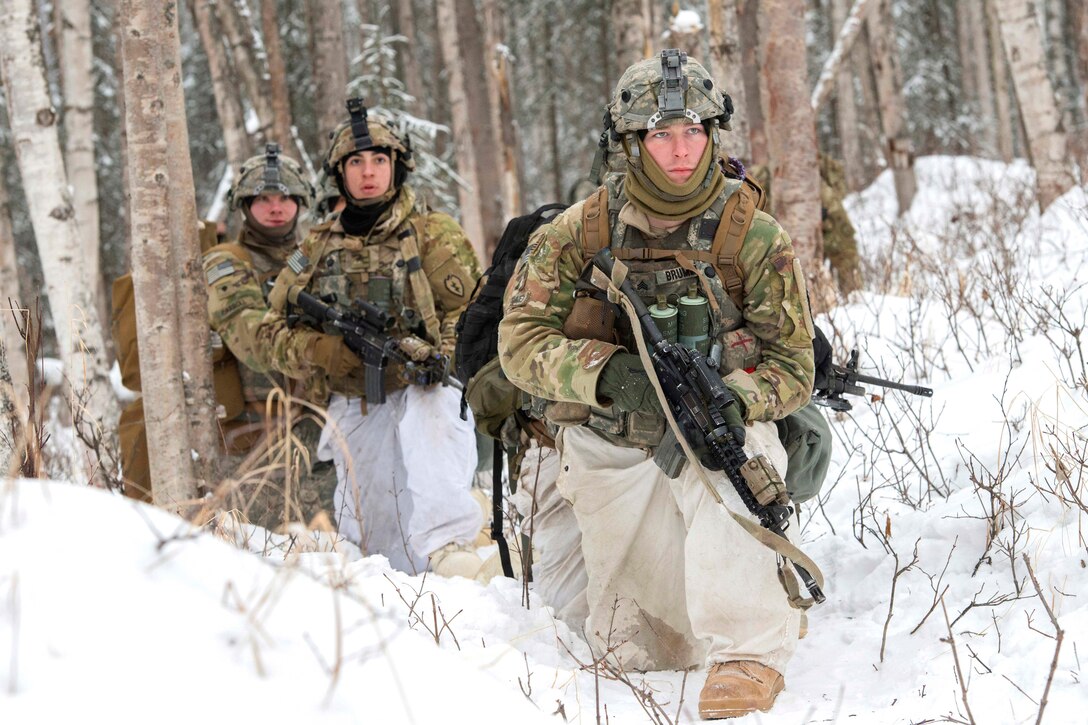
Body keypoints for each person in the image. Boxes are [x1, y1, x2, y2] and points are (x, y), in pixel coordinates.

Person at [498, 50, 818, 719]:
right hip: (615, 442)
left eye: (694, 132)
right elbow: (518, 345)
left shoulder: (753, 235)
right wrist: (609, 375)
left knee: (742, 459)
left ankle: (750, 652)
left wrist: (740, 396)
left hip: (713, 433)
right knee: (629, 652)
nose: (680, 149)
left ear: (713, 136)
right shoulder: (579, 232)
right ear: (631, 142)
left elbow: (794, 365)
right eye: (661, 134)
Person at [257, 101, 485, 578]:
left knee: (437, 419)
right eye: (356, 162)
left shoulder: (432, 234)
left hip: (424, 388)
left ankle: (451, 554)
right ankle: (385, 598)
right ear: (339, 173)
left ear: (397, 167)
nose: (368, 173)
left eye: (379, 161)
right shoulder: (315, 248)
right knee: (372, 530)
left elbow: (470, 311)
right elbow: (270, 330)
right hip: (356, 399)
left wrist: (438, 354)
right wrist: (322, 351)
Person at [113, 145, 339, 529]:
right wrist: (323, 349)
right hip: (253, 438)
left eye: (285, 198)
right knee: (273, 545)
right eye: (263, 199)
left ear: (301, 203)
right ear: (244, 206)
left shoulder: (315, 258)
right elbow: (249, 338)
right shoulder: (227, 261)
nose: (276, 207)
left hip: (319, 428)